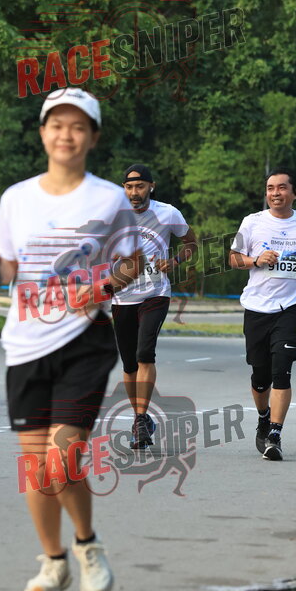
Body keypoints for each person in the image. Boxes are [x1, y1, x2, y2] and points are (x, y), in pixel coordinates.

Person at [0, 88, 142, 591]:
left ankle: (87, 545)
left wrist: (103, 287)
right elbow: (7, 262)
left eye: (77, 127)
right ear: (43, 133)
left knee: (61, 460)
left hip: (84, 338)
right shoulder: (16, 198)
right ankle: (53, 562)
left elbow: (132, 262)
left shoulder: (109, 198)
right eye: (56, 125)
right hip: (26, 342)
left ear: (92, 137)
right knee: (37, 469)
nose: (65, 135)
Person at [229, 167, 296, 460]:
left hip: (290, 308)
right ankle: (263, 416)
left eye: (282, 187)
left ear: (295, 193)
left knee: (282, 370)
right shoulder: (252, 222)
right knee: (260, 376)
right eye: (270, 188)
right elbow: (233, 259)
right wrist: (256, 260)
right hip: (257, 308)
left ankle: (275, 434)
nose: (275, 193)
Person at [111, 164, 197, 448]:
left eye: (139, 186)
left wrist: (174, 261)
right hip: (122, 296)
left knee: (145, 353)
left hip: (155, 293)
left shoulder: (168, 213)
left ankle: (139, 419)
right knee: (129, 364)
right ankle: (142, 418)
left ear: (151, 186)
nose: (134, 192)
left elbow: (191, 243)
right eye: (129, 187)